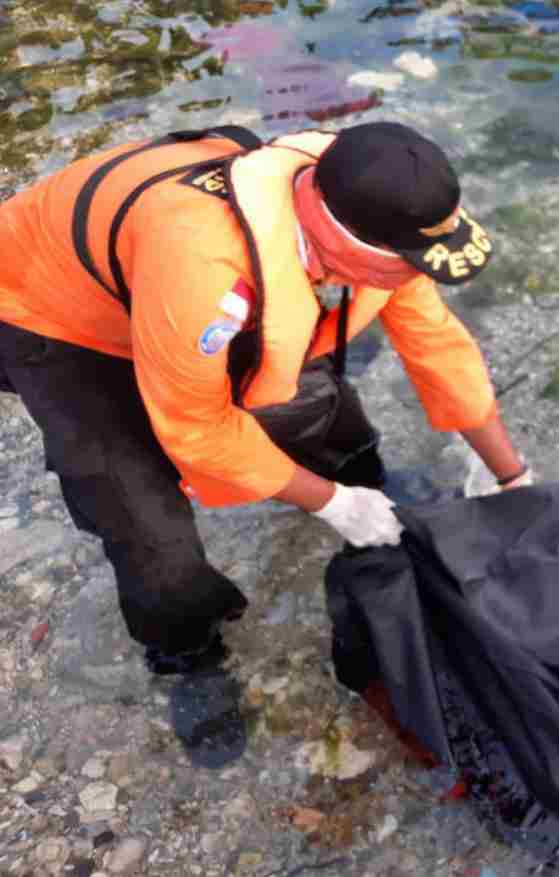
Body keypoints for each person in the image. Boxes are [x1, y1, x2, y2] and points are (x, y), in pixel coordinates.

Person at [0, 121, 530, 764]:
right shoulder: (203, 265)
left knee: (315, 410)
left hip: (177, 295)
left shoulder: (377, 196)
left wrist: (509, 475)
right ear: (346, 243)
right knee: (145, 526)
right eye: (407, 266)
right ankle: (189, 656)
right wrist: (328, 504)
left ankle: (367, 486)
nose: (415, 275)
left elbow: (436, 344)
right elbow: (195, 428)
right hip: (53, 312)